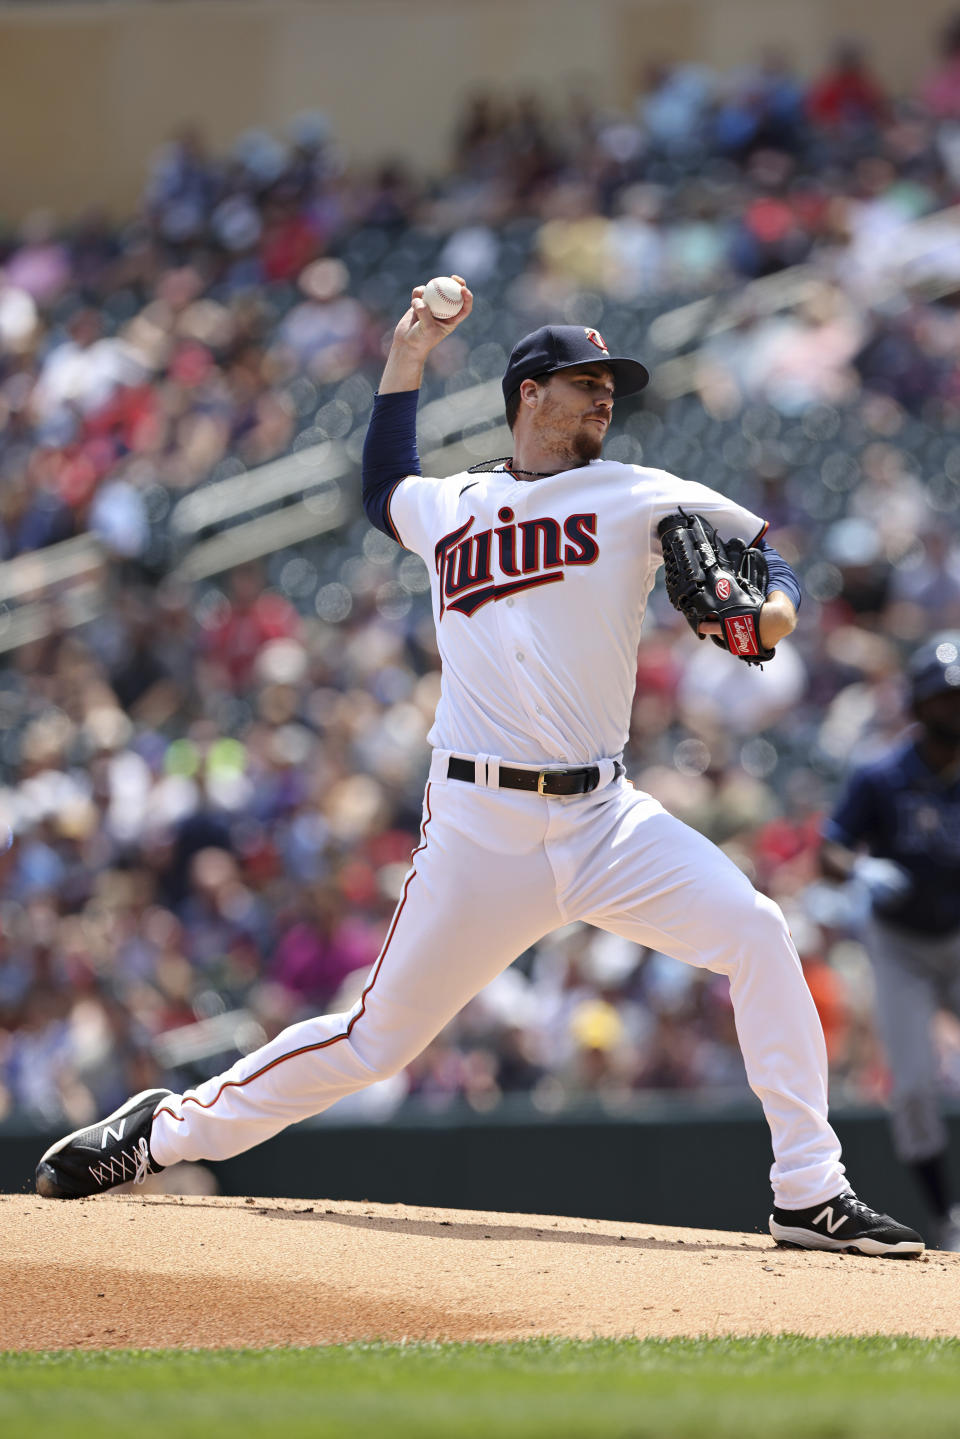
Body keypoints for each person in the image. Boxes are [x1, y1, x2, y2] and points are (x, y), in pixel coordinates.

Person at [36, 279, 923, 1256]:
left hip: (604, 818)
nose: (603, 400)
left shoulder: (635, 490)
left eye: (610, 388)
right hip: (476, 827)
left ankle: (808, 1188)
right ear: (528, 395)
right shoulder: (451, 505)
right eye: (583, 383)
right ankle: (162, 1132)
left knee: (758, 929)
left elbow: (767, 548)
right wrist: (407, 353)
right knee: (376, 1041)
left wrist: (777, 611)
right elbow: (380, 486)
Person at [820, 633, 960, 1250]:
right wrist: (857, 870)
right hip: (899, 941)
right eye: (943, 700)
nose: (953, 712)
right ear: (919, 704)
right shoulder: (882, 773)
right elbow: (827, 852)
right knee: (910, 1088)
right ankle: (947, 1218)